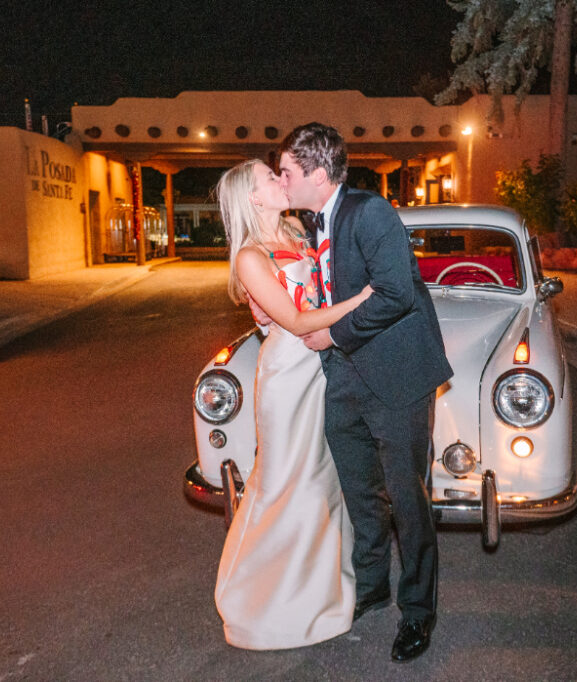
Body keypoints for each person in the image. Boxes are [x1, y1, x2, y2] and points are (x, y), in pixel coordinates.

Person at [263, 122, 453, 663]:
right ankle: (372, 588)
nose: (282, 180)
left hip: (396, 379)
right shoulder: (314, 222)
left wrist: (331, 334)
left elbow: (395, 292)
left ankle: (418, 611)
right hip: (343, 378)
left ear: (319, 175)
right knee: (360, 493)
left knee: (407, 498)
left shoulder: (370, 213)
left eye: (288, 172)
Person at [213, 159, 373, 650]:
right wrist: (369, 297)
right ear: (253, 197)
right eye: (270, 177)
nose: (281, 181)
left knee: (324, 482)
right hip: (287, 376)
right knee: (285, 484)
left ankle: (317, 593)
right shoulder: (250, 257)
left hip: (323, 369)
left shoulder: (298, 231)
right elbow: (299, 323)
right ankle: (264, 603)